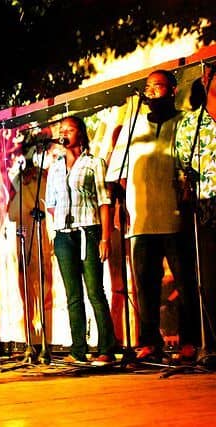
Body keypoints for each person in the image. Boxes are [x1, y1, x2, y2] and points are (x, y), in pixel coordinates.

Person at [106, 70, 199, 362]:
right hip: (141, 220)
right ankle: (149, 342)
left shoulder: (183, 123)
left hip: (174, 217)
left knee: (185, 283)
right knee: (145, 286)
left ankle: (189, 341)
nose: (151, 92)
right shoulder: (133, 127)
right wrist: (130, 201)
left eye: (157, 86)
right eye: (148, 87)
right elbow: (116, 173)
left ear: (172, 90)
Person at [45, 116, 117, 365]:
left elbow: (104, 202)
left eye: (70, 129)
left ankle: (107, 348)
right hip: (64, 234)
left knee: (95, 291)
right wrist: (54, 234)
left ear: (81, 134)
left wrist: (105, 238)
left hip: (89, 230)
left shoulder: (94, 163)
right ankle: (78, 349)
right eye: (61, 129)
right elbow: (51, 205)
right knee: (72, 294)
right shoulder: (54, 166)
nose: (64, 133)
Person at [175, 62, 216, 362]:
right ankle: (211, 344)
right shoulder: (192, 123)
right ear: (206, 78)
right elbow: (181, 165)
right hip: (206, 201)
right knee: (210, 274)